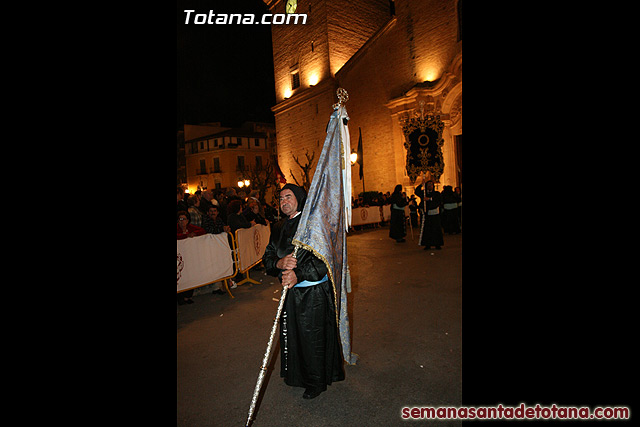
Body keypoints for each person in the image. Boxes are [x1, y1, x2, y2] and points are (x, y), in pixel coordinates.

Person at [263, 183, 345, 400]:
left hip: (313, 293)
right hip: (290, 293)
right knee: (294, 336)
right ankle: (298, 376)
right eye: (280, 198)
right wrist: (279, 264)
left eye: (288, 197)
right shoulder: (279, 226)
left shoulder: (312, 224)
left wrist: (299, 274)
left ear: (299, 198)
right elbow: (268, 257)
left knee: (312, 338)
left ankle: (316, 381)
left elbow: (324, 261)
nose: (283, 202)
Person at [177, 211, 206, 305]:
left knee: (190, 274)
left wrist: (193, 233)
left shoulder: (190, 227)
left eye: (183, 219)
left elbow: (202, 230)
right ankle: (180, 297)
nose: (182, 222)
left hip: (190, 256)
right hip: (179, 256)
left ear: (188, 220)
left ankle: (187, 296)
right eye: (180, 219)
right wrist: (186, 235)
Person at [415, 179, 444, 250]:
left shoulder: (436, 193)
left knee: (436, 229)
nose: (430, 186)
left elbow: (438, 200)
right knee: (427, 230)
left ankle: (437, 244)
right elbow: (417, 191)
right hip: (426, 214)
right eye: (428, 185)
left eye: (431, 185)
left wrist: (429, 199)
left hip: (434, 213)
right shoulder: (424, 193)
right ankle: (427, 244)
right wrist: (421, 184)